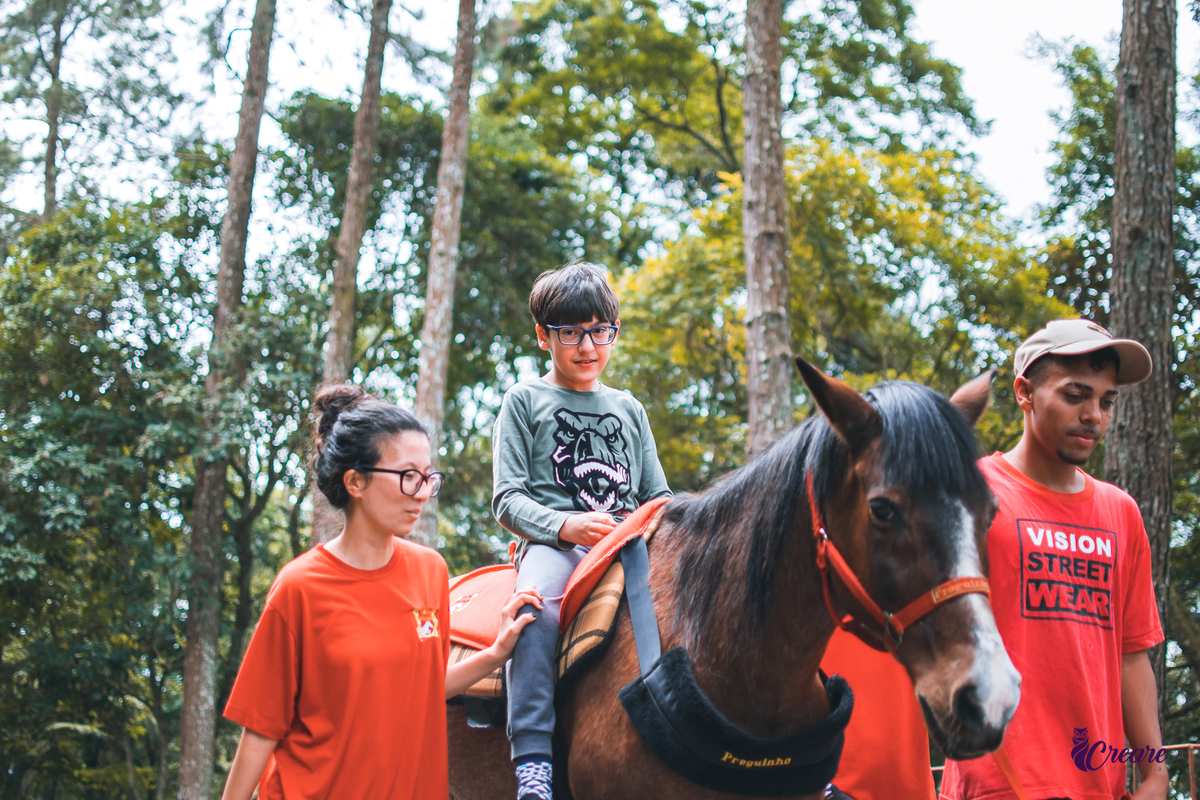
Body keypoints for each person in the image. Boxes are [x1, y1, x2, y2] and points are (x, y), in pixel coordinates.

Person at [220, 385, 541, 800]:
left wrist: (496, 653)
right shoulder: (300, 587)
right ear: (355, 481)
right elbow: (262, 728)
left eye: (428, 477)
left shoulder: (430, 571)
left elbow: (424, 686)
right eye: (408, 477)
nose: (423, 492)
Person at [940, 319, 1166, 800]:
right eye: (1075, 395)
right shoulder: (970, 494)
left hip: (1100, 785)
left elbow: (1132, 654)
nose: (1094, 415)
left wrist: (1154, 771)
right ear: (1025, 392)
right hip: (997, 785)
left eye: (1106, 402)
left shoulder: (1120, 512)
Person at [492, 261, 672, 800]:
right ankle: (533, 761)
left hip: (630, 543)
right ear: (544, 336)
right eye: (570, 331)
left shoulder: (629, 408)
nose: (587, 345)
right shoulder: (524, 401)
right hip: (554, 547)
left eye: (600, 331)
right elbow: (507, 498)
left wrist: (641, 527)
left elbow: (658, 495)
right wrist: (567, 526)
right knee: (536, 615)